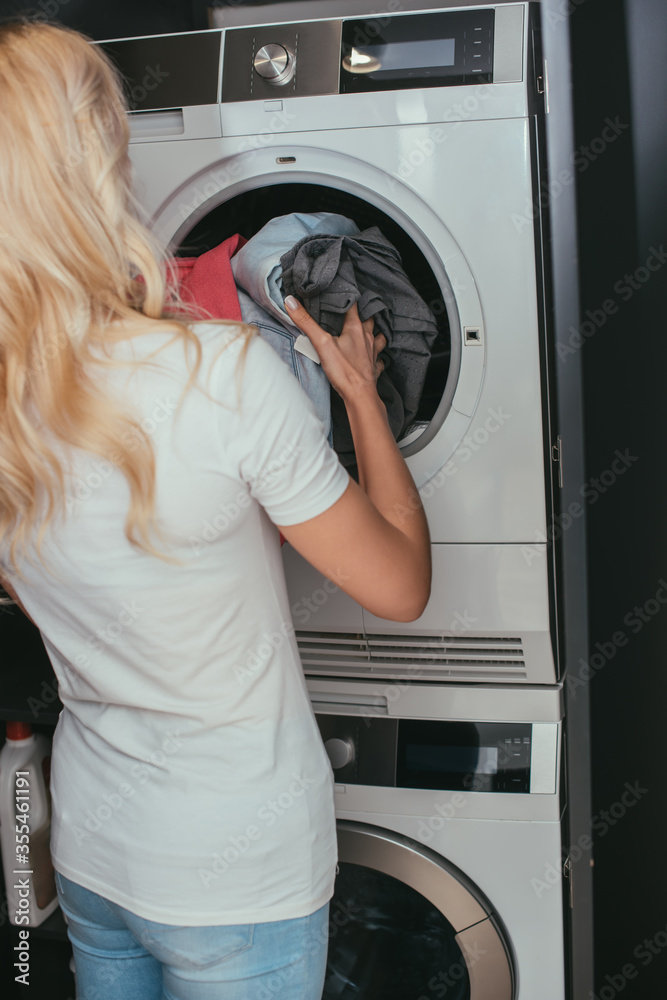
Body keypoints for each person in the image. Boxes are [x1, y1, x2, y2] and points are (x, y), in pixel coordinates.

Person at [0, 20, 431, 1000]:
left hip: (98, 854)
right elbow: (399, 585)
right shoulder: (218, 374)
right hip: (238, 876)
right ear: (97, 164)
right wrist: (357, 391)